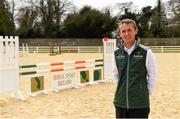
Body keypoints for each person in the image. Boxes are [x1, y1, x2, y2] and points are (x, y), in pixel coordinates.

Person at [112, 18, 157, 118]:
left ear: (135, 30)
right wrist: (122, 89)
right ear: (120, 33)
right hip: (120, 102)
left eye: (129, 30)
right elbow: (115, 75)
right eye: (123, 31)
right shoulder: (116, 53)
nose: (126, 34)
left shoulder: (146, 52)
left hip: (140, 104)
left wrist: (144, 93)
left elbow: (153, 76)